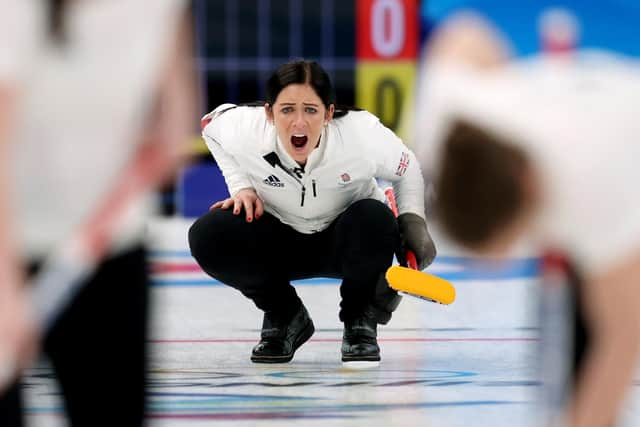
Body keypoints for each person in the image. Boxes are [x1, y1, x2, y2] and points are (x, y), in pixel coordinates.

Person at [413, 12, 640, 427]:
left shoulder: (594, 185)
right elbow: (465, 33)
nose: (499, 262)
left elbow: (624, 329)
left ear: (531, 192)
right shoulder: (449, 119)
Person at [0, 0, 195, 425]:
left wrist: (164, 145)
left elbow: (174, 124)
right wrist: (6, 289)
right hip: (7, 246)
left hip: (109, 252)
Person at [189, 59, 436, 365]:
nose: (299, 123)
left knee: (375, 217)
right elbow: (209, 127)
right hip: (278, 239)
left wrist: (413, 220)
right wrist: (240, 187)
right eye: (287, 109)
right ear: (269, 112)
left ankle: (360, 323)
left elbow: (407, 167)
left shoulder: (361, 135)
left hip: (349, 243)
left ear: (329, 113)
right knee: (208, 235)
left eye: (311, 110)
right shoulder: (244, 130)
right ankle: (285, 316)